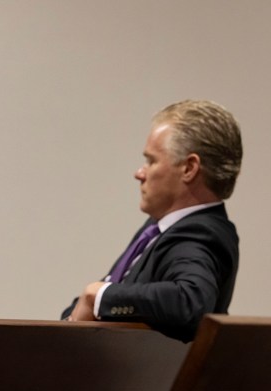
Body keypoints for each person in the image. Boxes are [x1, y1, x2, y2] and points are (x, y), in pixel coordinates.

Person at [61, 100, 242, 342]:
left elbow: (191, 300)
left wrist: (100, 296)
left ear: (189, 168)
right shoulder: (157, 228)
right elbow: (106, 294)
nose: (139, 173)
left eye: (151, 161)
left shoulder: (199, 233)